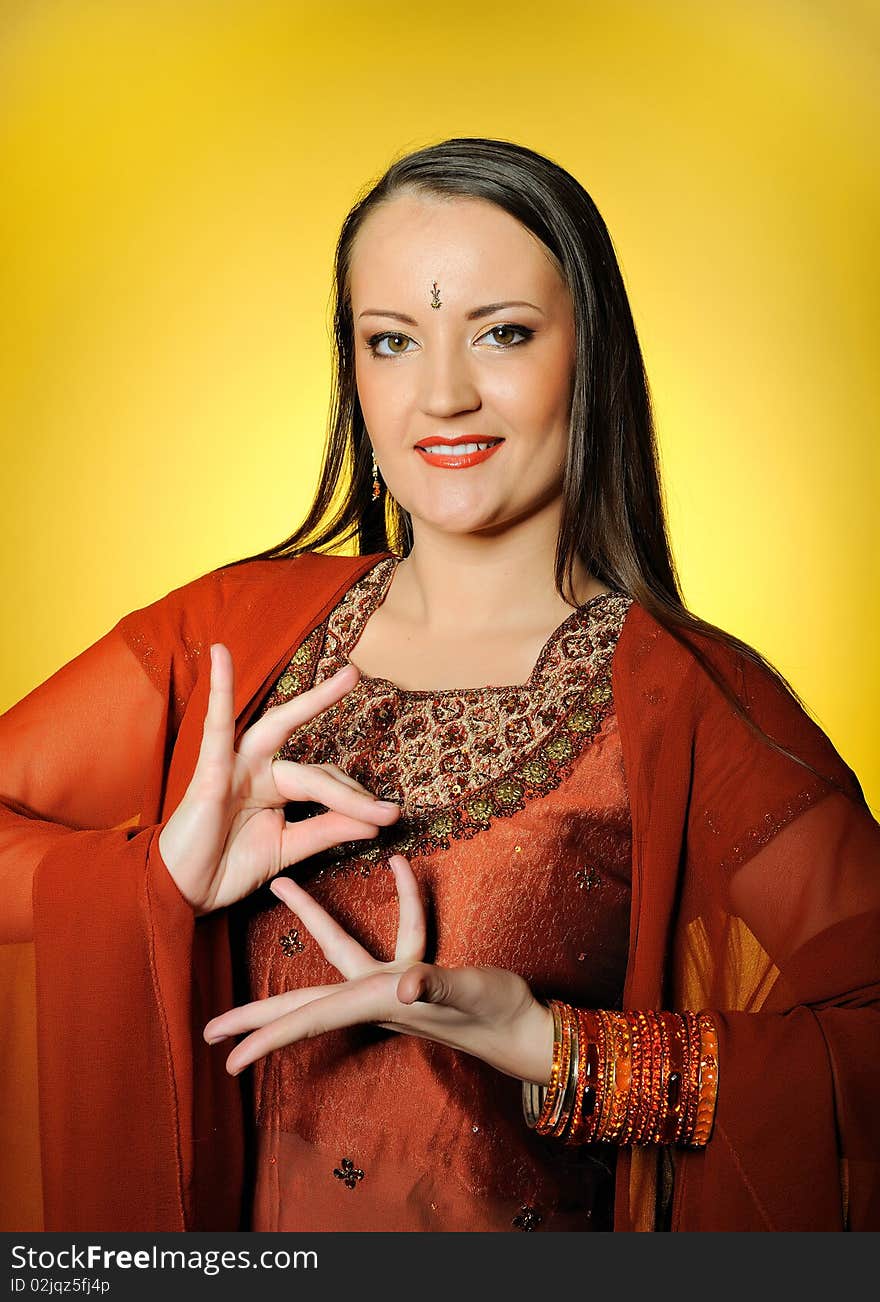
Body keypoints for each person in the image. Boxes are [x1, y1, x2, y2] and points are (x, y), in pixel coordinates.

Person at [1, 137, 878, 1234]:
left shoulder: (684, 701)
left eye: (502, 334)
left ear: (590, 357)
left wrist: (558, 1047)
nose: (444, 394)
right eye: (392, 341)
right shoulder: (226, 639)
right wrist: (159, 878)